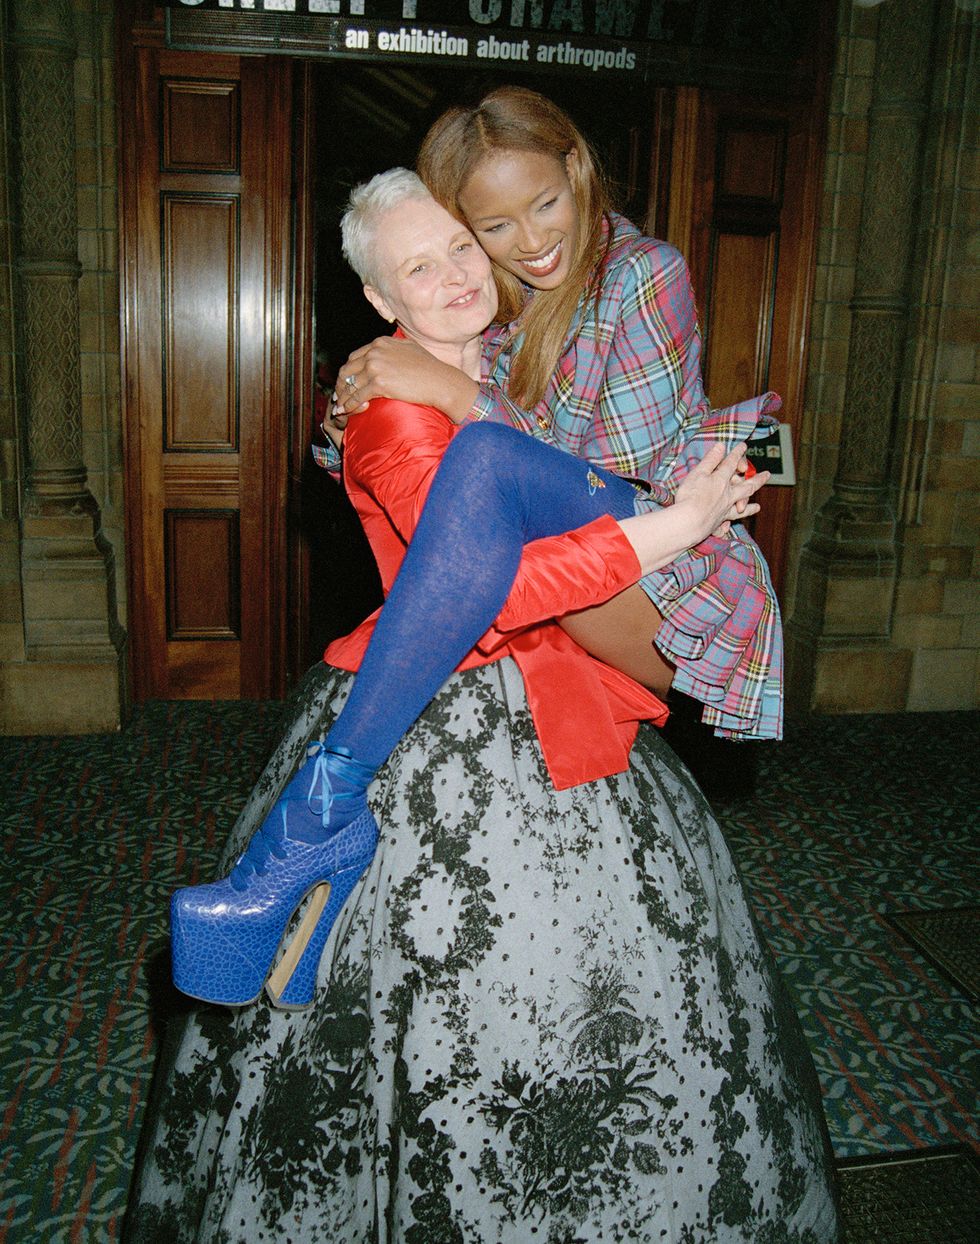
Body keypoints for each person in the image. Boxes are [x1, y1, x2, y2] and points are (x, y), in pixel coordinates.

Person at [126, 170, 837, 1243]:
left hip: (570, 678)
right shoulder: (389, 412)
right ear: (379, 299)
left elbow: (600, 295)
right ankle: (321, 818)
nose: (458, 273)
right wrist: (670, 525)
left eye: (462, 247)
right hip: (460, 709)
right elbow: (490, 592)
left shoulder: (514, 360)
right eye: (421, 265)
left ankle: (312, 821)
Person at [332, 84, 783, 743]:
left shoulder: (644, 274)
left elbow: (608, 485)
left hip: (667, 575)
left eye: (545, 204)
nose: (532, 239)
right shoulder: (500, 292)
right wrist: (355, 399)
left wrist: (459, 397)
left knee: (480, 571)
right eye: (494, 228)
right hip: (579, 571)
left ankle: (334, 779)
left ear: (575, 170)